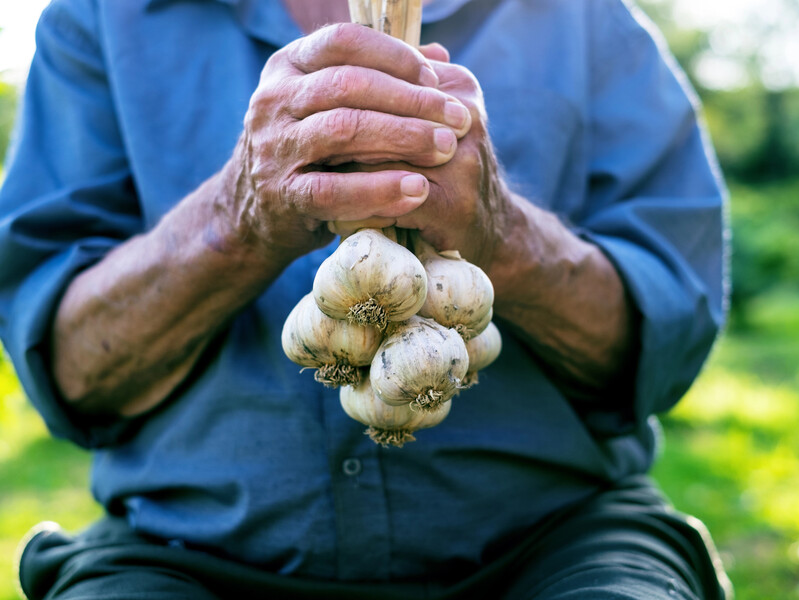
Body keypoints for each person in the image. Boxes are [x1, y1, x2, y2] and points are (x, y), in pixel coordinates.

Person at [0, 0, 731, 598]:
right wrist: (239, 216)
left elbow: (662, 351)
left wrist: (497, 229)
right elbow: (70, 372)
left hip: (553, 548)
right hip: (180, 557)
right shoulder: (99, 19)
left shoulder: (587, 20)